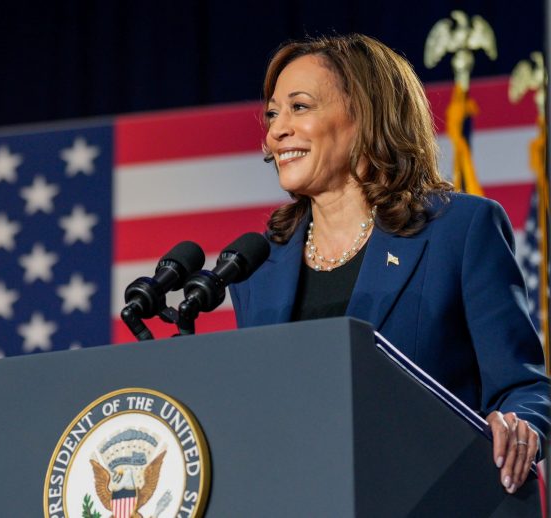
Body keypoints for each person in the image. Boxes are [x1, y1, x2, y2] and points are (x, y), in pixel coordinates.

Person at [229, 33, 550, 494]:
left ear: (365, 113)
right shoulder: (259, 268)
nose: (275, 131)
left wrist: (522, 426)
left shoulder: (458, 231)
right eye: (273, 114)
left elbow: (524, 387)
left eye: (299, 107)